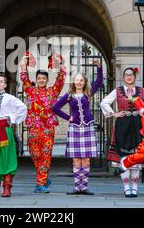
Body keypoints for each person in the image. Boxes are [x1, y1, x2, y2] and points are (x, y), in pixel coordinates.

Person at [52, 59, 103, 195]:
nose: (79, 82)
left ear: (84, 82)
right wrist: (68, 118)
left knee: (86, 158)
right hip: (74, 128)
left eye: (81, 80)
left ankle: (84, 187)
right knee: (76, 158)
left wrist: (99, 67)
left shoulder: (88, 93)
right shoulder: (69, 95)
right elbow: (55, 107)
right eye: (77, 80)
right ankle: (76, 187)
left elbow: (99, 81)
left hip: (87, 127)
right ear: (73, 82)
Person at [100, 67, 144, 197]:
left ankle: (134, 187)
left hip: (137, 124)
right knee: (123, 156)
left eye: (131, 75)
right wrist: (114, 113)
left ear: (135, 77)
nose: (129, 77)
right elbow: (104, 102)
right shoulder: (117, 91)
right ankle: (126, 188)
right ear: (123, 78)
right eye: (126, 75)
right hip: (122, 124)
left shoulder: (141, 91)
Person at [20, 53, 66, 193]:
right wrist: (23, 63)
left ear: (47, 80)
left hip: (48, 129)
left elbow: (61, 79)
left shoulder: (53, 92)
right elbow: (24, 77)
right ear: (36, 79)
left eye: (43, 78)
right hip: (34, 127)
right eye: (39, 78)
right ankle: (43, 177)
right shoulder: (30, 91)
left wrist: (60, 64)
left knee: (45, 156)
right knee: (35, 155)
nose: (41, 80)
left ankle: (40, 183)